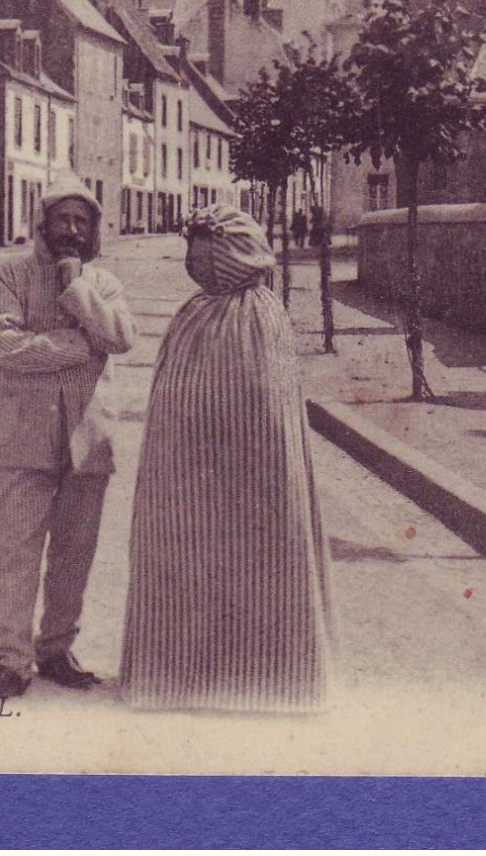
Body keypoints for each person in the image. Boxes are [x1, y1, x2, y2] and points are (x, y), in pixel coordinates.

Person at [119, 204, 333, 712]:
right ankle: (182, 676)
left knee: (253, 567)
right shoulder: (195, 309)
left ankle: (264, 677)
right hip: (186, 474)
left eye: (202, 252)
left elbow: (267, 406)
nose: (192, 262)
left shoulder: (260, 315)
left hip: (250, 477)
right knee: (187, 560)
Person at [0, 178, 136, 701]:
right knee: (14, 553)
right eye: (62, 219)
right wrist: (76, 346)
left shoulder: (104, 285)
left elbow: (119, 337)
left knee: (74, 554)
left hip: (87, 439)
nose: (71, 230)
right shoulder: (12, 275)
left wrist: (77, 288)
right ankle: (11, 661)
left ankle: (56, 648)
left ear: (92, 231)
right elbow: (5, 346)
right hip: (22, 434)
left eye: (81, 221)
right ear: (41, 224)